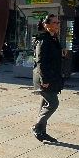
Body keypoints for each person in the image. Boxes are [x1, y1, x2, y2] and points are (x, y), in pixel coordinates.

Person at [31, 14, 68, 143]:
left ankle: (42, 132)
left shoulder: (53, 39)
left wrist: (61, 51)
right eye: (55, 23)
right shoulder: (43, 40)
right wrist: (44, 80)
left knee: (44, 105)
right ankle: (37, 127)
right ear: (47, 25)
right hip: (45, 78)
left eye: (58, 23)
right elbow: (41, 61)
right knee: (53, 103)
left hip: (52, 77)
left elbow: (52, 57)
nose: (57, 25)